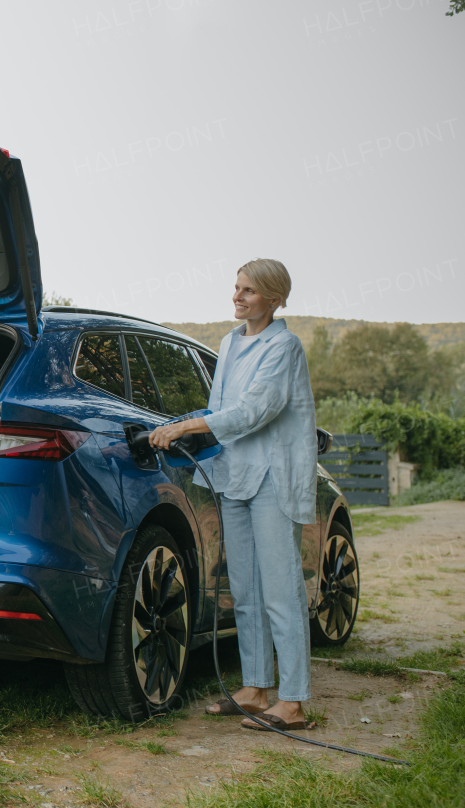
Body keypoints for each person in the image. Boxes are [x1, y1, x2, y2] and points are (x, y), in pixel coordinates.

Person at [149, 258, 317, 733]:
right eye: (236, 288)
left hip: (273, 478)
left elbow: (253, 412)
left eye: (249, 290)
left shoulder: (284, 347)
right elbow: (220, 409)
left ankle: (294, 702)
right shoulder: (228, 342)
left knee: (281, 590)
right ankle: (257, 686)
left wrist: (187, 425)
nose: (238, 297)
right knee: (244, 588)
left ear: (274, 297)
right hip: (235, 476)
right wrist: (176, 427)